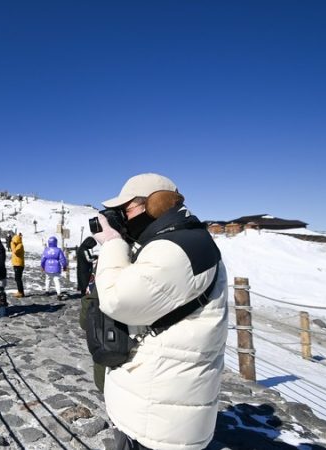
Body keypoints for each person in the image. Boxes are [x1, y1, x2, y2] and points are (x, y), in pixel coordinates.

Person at [92, 173, 226, 450]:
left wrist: (112, 244)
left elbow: (118, 300)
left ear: (155, 205)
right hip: (162, 399)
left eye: (125, 210)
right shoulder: (182, 240)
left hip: (161, 412)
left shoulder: (176, 248)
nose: (123, 219)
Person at [10, 233, 25, 298]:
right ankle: (20, 291)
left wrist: (12, 244)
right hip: (16, 264)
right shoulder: (18, 245)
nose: (12, 242)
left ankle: (20, 292)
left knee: (18, 279)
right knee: (17, 278)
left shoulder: (20, 245)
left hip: (18, 265)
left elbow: (15, 252)